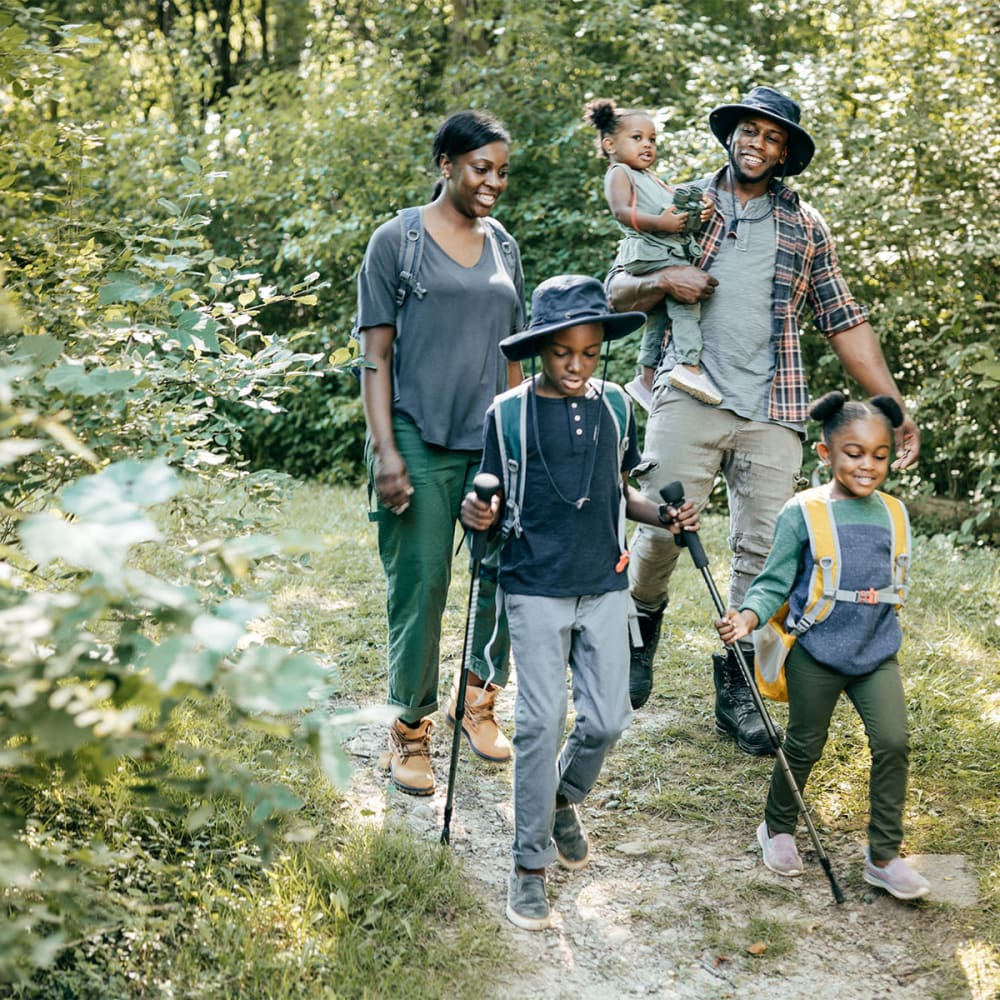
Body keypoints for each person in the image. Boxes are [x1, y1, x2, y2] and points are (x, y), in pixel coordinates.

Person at [608, 85, 921, 748]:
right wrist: (666, 282)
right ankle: (640, 625)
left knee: (763, 553)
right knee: (661, 534)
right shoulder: (682, 201)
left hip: (774, 406)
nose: (757, 144)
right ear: (731, 135)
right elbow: (618, 289)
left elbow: (843, 321)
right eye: (748, 131)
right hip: (688, 395)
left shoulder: (807, 227)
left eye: (772, 138)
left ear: (785, 154)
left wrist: (894, 408)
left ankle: (740, 688)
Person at [460, 274, 700, 931]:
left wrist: (665, 516)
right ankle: (528, 867)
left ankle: (563, 798)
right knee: (540, 725)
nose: (577, 365)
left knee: (609, 719)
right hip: (534, 585)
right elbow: (482, 503)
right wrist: (477, 511)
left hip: (604, 583)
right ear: (541, 348)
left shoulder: (618, 405)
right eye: (563, 352)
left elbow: (621, 493)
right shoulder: (506, 415)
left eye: (590, 353)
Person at [356, 110, 525, 796]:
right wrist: (386, 451)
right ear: (446, 165)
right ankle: (411, 728)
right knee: (422, 588)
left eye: (502, 171)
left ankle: (477, 700)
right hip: (418, 442)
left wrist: (518, 446)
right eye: (481, 168)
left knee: (505, 575)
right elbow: (375, 358)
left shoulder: (504, 246)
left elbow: (516, 357)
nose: (493, 183)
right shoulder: (396, 241)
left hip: (489, 441)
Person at [715, 391, 929, 900]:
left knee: (894, 742)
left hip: (876, 652)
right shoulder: (803, 513)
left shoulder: (894, 513)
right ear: (824, 454)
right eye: (853, 453)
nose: (868, 465)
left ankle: (883, 856)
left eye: (880, 455)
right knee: (805, 745)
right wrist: (748, 616)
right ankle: (778, 827)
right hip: (818, 650)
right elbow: (773, 581)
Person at [584, 98, 719, 413]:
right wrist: (661, 223)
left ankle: (645, 378)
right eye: (637, 138)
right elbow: (621, 212)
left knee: (658, 316)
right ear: (609, 144)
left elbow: (676, 208)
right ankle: (689, 365)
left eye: (652, 140)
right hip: (648, 252)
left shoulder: (652, 179)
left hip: (661, 249)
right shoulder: (620, 173)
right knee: (686, 299)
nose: (647, 145)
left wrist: (702, 210)